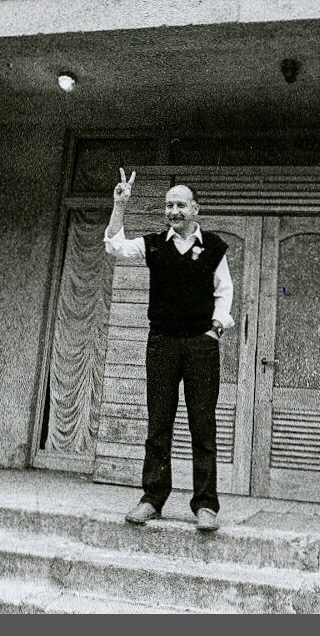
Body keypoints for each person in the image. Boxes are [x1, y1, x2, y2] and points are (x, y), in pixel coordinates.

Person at [105, 169, 233, 532]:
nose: (174, 211)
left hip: (200, 346)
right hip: (162, 343)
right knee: (158, 422)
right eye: (169, 205)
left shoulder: (213, 247)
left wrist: (214, 330)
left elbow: (224, 292)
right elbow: (114, 246)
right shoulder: (154, 244)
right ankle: (152, 498)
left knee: (202, 424)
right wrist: (119, 205)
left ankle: (205, 505)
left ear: (195, 209)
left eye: (180, 205)